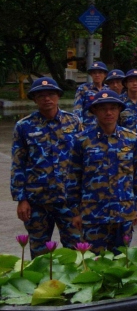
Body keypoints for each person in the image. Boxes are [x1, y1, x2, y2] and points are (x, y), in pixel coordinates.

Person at [68, 90, 137, 252]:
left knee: (121, 262)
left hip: (123, 213)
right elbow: (73, 179)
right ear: (95, 111)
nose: (108, 112)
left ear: (119, 110)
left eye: (113, 108)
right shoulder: (82, 140)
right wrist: (75, 212)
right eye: (103, 109)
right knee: (94, 264)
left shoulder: (132, 139)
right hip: (93, 216)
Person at [11, 77, 84, 254]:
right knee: (39, 252)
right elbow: (18, 164)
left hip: (69, 199)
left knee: (75, 250)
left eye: (51, 94)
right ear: (34, 99)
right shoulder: (24, 126)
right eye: (41, 95)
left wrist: (85, 197)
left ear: (58, 96)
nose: (47, 99)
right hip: (37, 200)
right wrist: (21, 199)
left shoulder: (73, 122)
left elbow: (83, 161)